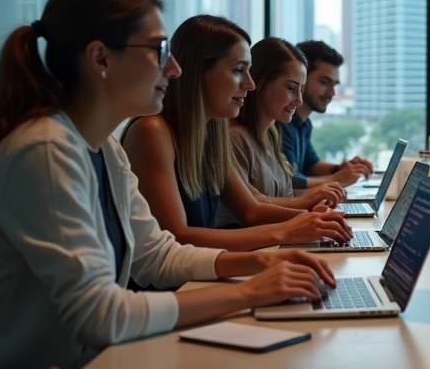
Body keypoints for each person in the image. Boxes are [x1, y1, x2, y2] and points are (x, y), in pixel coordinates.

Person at [0, 0, 336, 369]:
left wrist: (258, 262)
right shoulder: (46, 149)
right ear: (100, 57)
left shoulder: (103, 146)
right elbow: (102, 315)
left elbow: (155, 255)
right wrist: (248, 293)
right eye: (159, 51)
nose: (173, 69)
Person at [122, 15, 353, 250]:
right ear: (198, 70)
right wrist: (287, 230)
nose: (250, 84)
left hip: (193, 276)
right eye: (238, 70)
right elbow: (177, 238)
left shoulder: (212, 132)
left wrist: (311, 217)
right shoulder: (152, 131)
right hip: (168, 285)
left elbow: (250, 209)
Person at [219, 37, 345, 228]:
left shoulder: (271, 134)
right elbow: (253, 208)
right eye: (291, 88)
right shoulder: (235, 138)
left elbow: (276, 196)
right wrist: (306, 211)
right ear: (259, 82)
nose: (299, 100)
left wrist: (311, 210)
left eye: (301, 90)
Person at [281, 40, 373, 188]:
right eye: (324, 82)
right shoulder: (281, 123)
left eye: (335, 84)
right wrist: (338, 178)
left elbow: (311, 164)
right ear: (302, 77)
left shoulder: (304, 123)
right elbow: (290, 181)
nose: (332, 93)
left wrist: (342, 168)